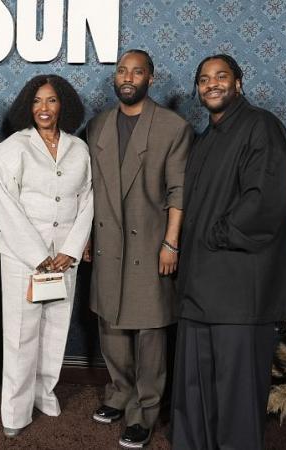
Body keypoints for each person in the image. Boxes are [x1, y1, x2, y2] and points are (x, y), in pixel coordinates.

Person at [170, 54, 286, 449]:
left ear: (239, 83)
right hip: (199, 288)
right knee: (195, 387)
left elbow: (266, 200)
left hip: (241, 291)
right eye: (204, 79)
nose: (212, 84)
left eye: (221, 76)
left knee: (237, 395)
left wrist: (215, 234)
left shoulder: (261, 126)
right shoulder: (206, 137)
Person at [86, 49, 193, 449]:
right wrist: (87, 238)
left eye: (137, 71)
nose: (128, 77)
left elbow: (178, 191)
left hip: (150, 245)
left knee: (149, 330)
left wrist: (171, 242)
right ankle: (120, 394)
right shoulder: (97, 125)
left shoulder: (172, 127)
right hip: (108, 241)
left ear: (151, 78)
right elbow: (89, 190)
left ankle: (145, 411)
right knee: (111, 325)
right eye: (121, 71)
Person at [0, 74, 93, 438]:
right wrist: (38, 256)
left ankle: (43, 392)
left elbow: (87, 200)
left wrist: (70, 249)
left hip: (64, 259)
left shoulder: (79, 149)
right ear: (26, 107)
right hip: (24, 260)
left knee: (56, 329)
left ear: (63, 103)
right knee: (20, 336)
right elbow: (7, 208)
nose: (44, 109)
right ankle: (14, 411)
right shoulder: (10, 149)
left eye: (51, 100)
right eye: (36, 101)